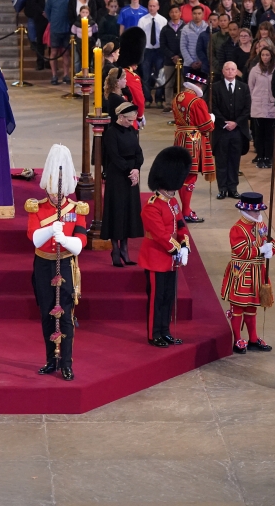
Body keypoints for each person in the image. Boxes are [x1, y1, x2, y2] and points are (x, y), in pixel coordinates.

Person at [26, 144, 87, 381]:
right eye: (52, 191)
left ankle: (67, 363)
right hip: (43, 265)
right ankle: (51, 359)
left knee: (66, 318)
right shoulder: (37, 208)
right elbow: (34, 238)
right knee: (46, 315)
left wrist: (66, 239)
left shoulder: (76, 209)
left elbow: (80, 244)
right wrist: (52, 229)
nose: (56, 195)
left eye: (58, 191)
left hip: (67, 266)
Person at [140, 146, 192, 348]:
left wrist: (185, 245)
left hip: (171, 260)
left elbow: (180, 226)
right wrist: (178, 249)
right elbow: (161, 235)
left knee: (168, 297)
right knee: (156, 299)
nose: (174, 190)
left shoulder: (172, 202)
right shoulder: (152, 206)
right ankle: (154, 334)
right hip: (156, 258)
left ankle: (165, 330)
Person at [220, 192, 275, 354]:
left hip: (257, 272)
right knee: (237, 308)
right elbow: (241, 251)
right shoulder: (237, 228)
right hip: (242, 273)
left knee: (252, 308)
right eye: (256, 211)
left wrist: (270, 249)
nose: (259, 214)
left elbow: (269, 240)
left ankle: (253, 338)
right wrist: (260, 250)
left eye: (259, 211)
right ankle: (237, 339)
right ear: (246, 210)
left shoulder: (261, 225)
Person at [102, 101, 144, 266]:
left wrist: (136, 169)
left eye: (133, 120)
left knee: (128, 212)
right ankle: (115, 250)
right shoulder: (111, 133)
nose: (131, 123)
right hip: (117, 176)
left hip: (131, 175)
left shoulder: (132, 131)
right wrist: (129, 171)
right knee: (117, 211)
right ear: (120, 117)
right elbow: (114, 156)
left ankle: (125, 250)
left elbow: (138, 152)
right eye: (128, 120)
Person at [172, 73, 213, 223]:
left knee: (182, 175)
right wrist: (211, 118)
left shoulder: (177, 97)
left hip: (180, 138)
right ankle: (186, 211)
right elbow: (206, 126)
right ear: (199, 85)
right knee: (190, 176)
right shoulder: (197, 101)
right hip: (193, 140)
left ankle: (184, 209)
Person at [211, 60, 250, 199]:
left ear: (236, 71)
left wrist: (236, 123)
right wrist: (225, 123)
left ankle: (233, 188)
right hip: (221, 130)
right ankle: (222, 188)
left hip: (237, 131)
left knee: (234, 160)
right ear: (223, 71)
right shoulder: (215, 87)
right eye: (227, 69)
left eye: (232, 69)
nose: (230, 71)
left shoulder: (244, 87)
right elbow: (213, 107)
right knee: (221, 160)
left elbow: (247, 109)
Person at [248, 46, 275, 170]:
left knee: (269, 134)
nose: (265, 57)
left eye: (267, 55)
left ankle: (268, 157)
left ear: (271, 56)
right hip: (258, 105)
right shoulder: (254, 70)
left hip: (271, 105)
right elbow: (250, 87)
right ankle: (260, 156)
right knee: (259, 134)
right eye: (263, 55)